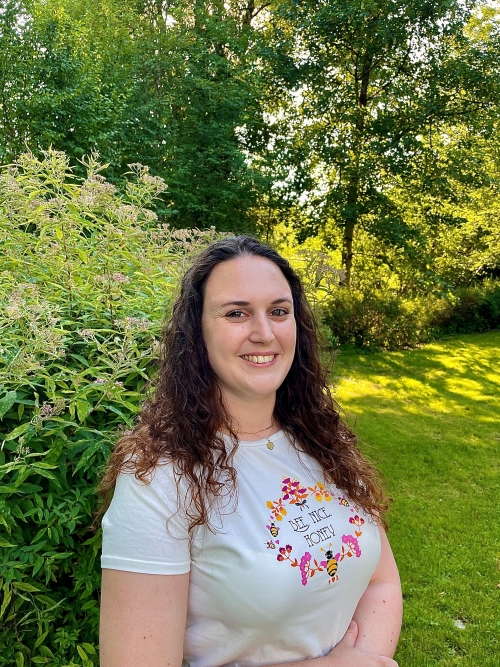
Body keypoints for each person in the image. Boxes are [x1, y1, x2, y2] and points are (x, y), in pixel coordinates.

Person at [99, 236, 402, 667]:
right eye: (236, 313)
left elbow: (380, 582)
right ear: (197, 333)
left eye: (278, 311)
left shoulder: (322, 439)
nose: (264, 333)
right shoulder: (159, 478)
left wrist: (366, 659)